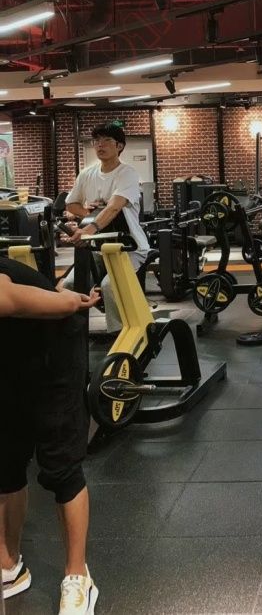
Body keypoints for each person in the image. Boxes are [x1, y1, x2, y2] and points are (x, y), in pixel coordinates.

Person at [0, 256, 101, 614]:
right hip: (9, 356)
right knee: (5, 462)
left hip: (53, 348)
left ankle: (78, 576)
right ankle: (9, 566)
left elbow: (10, 299)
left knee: (60, 465)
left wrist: (72, 300)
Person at [61, 123, 150, 339]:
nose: (100, 145)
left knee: (111, 285)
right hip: (98, 248)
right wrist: (88, 212)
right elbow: (71, 204)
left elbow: (115, 207)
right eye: (97, 141)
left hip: (129, 248)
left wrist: (89, 228)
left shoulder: (127, 173)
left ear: (119, 146)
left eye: (107, 140)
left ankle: (121, 338)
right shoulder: (87, 174)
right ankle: (73, 337)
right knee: (71, 283)